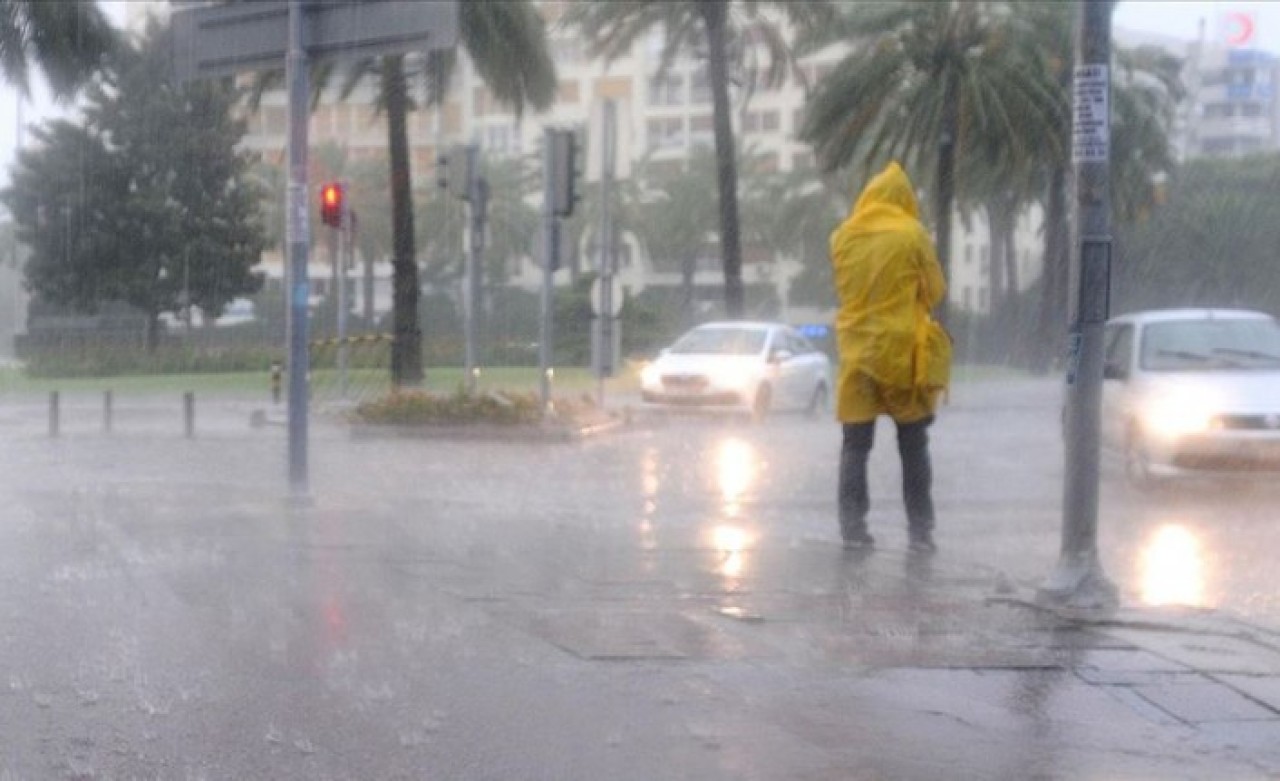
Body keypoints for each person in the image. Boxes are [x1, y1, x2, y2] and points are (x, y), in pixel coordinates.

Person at [830, 161, 951, 554]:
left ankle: (853, 529)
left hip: (857, 353)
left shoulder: (844, 235)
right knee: (913, 443)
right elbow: (934, 291)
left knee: (855, 446)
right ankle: (920, 532)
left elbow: (846, 286)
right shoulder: (912, 233)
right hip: (901, 355)